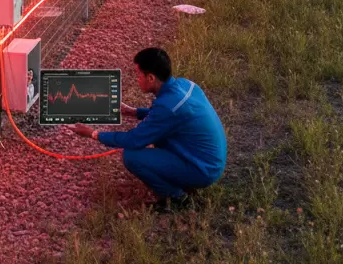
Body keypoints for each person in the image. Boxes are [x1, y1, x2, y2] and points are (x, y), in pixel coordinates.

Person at [71, 47, 226, 211]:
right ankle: (181, 179)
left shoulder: (168, 107)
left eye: (138, 74)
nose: (137, 79)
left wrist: (93, 133)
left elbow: (133, 139)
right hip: (210, 161)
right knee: (157, 139)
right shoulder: (185, 85)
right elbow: (166, 117)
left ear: (151, 78)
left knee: (132, 156)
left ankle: (177, 199)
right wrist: (133, 112)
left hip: (203, 170)